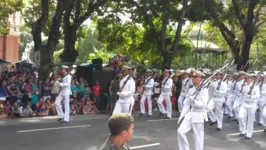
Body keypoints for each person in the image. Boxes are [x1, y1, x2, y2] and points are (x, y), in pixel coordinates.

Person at [177, 70, 208, 150]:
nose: (193, 79)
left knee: (198, 137)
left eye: (195, 77)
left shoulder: (204, 90)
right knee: (180, 131)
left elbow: (203, 105)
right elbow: (186, 104)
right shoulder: (191, 90)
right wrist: (182, 115)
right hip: (190, 114)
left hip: (199, 114)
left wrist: (194, 102)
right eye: (192, 77)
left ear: (201, 78)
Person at [238, 72, 260, 140]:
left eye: (248, 78)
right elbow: (242, 96)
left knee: (250, 121)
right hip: (244, 104)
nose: (246, 80)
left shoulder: (256, 87)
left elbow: (258, 95)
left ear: (252, 79)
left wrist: (251, 96)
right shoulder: (244, 86)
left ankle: (249, 134)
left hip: (251, 105)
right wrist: (240, 103)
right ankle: (243, 130)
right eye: (246, 78)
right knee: (240, 117)